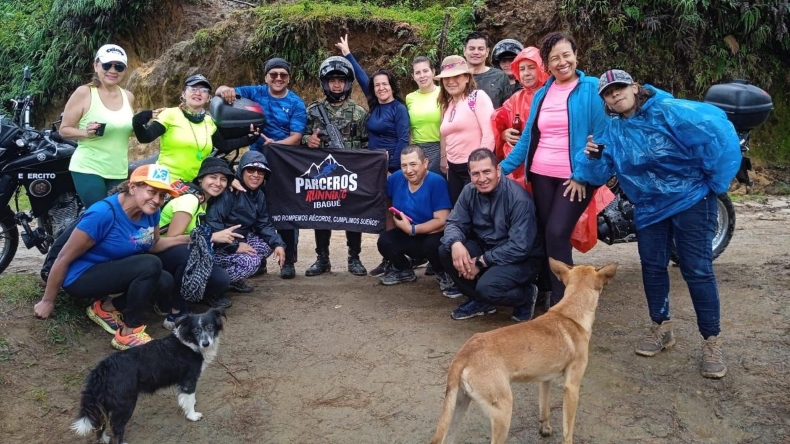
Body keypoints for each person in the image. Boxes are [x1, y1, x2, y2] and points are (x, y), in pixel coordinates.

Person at [583, 69, 740, 379]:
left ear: (634, 87)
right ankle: (661, 328)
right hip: (650, 206)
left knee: (696, 268)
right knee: (653, 266)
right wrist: (592, 158)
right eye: (608, 93)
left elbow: (716, 134)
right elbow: (599, 172)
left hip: (691, 200)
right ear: (605, 102)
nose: (615, 95)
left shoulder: (669, 110)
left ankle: (711, 341)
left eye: (620, 88)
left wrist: (714, 182)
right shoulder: (613, 131)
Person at [500, 32, 606, 306]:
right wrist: (502, 168)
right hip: (540, 174)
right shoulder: (543, 94)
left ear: (576, 55)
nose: (562, 62)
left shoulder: (592, 88)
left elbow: (601, 136)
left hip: (575, 178)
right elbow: (528, 138)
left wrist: (583, 175)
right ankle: (550, 290)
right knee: (548, 233)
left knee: (558, 232)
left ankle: (563, 303)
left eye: (566, 55)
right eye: (554, 58)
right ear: (546, 65)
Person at [33, 164, 183, 350]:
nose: (157, 200)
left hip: (110, 269)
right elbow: (63, 257)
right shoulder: (103, 213)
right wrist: (47, 301)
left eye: (162, 195)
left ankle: (105, 308)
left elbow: (153, 246)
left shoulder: (151, 213)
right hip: (80, 276)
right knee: (150, 264)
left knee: (164, 281)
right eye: (152, 191)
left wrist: (188, 239)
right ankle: (128, 333)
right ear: (133, 187)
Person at [215, 58, 306, 279]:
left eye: (283, 75)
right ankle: (259, 261)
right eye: (273, 74)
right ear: (265, 76)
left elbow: (295, 138)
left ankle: (289, 260)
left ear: (288, 78)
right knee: (251, 209)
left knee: (286, 212)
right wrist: (224, 89)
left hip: (285, 163)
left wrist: (274, 145)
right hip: (255, 163)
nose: (278, 78)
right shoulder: (254, 92)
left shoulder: (296, 103)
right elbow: (220, 92)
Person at [439, 149, 543, 321]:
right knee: (446, 250)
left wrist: (481, 262)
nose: (482, 179)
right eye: (476, 174)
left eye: (487, 171)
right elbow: (454, 222)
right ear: (470, 175)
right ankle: (481, 301)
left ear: (498, 170)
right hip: (487, 247)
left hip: (521, 258)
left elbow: (519, 246)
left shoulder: (518, 199)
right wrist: (456, 243)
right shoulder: (469, 191)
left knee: (488, 288)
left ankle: (526, 296)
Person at [156, 157, 247, 325]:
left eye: (223, 179)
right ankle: (176, 311)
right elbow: (171, 239)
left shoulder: (203, 202)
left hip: (177, 255)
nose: (218, 183)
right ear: (200, 179)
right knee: (189, 253)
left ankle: (167, 298)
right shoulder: (190, 200)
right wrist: (211, 236)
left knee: (220, 280)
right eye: (213, 177)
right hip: (159, 252)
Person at [301, 56, 369, 277]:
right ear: (325, 83)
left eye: (341, 80)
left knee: (353, 215)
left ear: (348, 83)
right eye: (332, 80)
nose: (337, 84)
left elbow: (367, 143)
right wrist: (307, 141)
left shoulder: (358, 113)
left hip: (350, 174)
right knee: (322, 214)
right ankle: (322, 258)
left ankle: (354, 257)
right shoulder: (313, 111)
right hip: (323, 174)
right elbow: (300, 136)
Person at [132, 74, 260, 183]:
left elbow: (223, 145)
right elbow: (145, 138)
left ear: (208, 97)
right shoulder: (170, 114)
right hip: (165, 181)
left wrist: (248, 139)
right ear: (183, 93)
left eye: (203, 90)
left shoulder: (209, 121)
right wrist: (138, 121)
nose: (198, 93)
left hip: (195, 183)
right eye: (193, 88)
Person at [61, 44, 135, 209]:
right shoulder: (84, 93)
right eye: (107, 65)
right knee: (101, 215)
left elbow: (127, 131)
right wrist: (85, 133)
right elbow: (64, 130)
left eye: (119, 66)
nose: (113, 70)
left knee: (117, 217)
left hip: (118, 169)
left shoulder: (128, 97)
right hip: (89, 167)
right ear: (96, 65)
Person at [206, 150, 287, 291]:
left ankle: (233, 279)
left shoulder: (259, 194)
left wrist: (278, 243)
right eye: (250, 169)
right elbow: (213, 223)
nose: (256, 175)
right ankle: (213, 285)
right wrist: (235, 246)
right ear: (242, 171)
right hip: (217, 247)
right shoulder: (230, 191)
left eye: (261, 171)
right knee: (252, 262)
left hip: (237, 240)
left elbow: (263, 224)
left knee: (266, 245)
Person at [377, 146, 452, 290]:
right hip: (407, 232)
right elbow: (382, 196)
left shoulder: (437, 182)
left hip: (432, 234)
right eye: (404, 165)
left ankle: (442, 272)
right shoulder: (397, 178)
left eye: (413, 164)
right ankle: (403, 269)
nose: (408, 170)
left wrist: (412, 229)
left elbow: (442, 220)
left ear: (425, 162)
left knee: (434, 245)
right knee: (385, 241)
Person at [336, 34, 410, 173]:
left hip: (391, 167)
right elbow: (363, 79)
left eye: (384, 84)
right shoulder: (375, 105)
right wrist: (348, 54)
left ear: (392, 87)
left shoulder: (399, 109)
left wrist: (392, 167)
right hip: (373, 163)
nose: (381, 88)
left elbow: (403, 140)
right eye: (377, 85)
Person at [435, 55, 495, 204]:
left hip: (474, 168)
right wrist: (445, 160)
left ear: (467, 78)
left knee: (478, 211)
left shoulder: (477, 97)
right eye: (446, 78)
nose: (451, 81)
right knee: (459, 210)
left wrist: (481, 168)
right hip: (453, 168)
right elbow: (446, 136)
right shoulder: (446, 104)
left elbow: (489, 134)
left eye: (456, 76)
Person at [491, 46, 549, 188]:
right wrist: (504, 134)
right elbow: (498, 121)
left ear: (542, 68)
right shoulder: (515, 99)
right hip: (519, 166)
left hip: (549, 161)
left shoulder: (555, 94)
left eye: (531, 67)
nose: (526, 73)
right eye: (522, 69)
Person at [405, 56, 442, 176]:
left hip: (438, 148)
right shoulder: (409, 98)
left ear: (433, 72)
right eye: (418, 72)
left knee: (435, 184)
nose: (422, 75)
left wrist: (444, 155)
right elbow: (409, 129)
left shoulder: (443, 93)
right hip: (417, 150)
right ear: (413, 76)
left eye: (425, 71)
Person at [463, 32, 512, 108]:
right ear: (464, 51)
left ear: (487, 52)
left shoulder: (499, 77)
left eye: (480, 49)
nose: (476, 52)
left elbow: (508, 109)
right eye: (471, 48)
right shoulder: (457, 77)